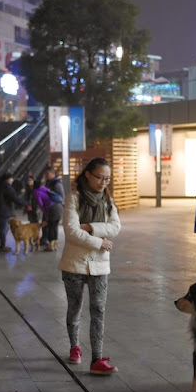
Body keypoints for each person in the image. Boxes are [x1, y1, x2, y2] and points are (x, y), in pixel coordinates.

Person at [58, 157, 121, 375]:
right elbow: (71, 232)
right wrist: (100, 241)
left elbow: (115, 227)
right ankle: (75, 347)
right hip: (74, 264)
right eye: (100, 177)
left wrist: (90, 227)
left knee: (99, 311)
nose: (104, 182)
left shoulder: (108, 200)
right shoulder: (74, 198)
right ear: (88, 174)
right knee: (74, 308)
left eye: (108, 178)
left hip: (100, 266)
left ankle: (97, 358)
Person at [0, 172, 30, 252]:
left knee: (0, 227)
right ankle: (3, 245)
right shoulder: (7, 187)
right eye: (11, 178)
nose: (12, 180)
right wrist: (26, 203)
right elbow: (15, 198)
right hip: (4, 210)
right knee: (4, 228)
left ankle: (0, 244)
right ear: (7, 179)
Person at [32, 180, 63, 251]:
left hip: (52, 209)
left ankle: (51, 246)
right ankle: (54, 244)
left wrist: (45, 214)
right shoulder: (44, 188)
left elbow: (41, 204)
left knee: (51, 227)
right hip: (59, 206)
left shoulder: (36, 192)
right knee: (55, 226)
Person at [41, 166, 65, 245]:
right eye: (45, 174)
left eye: (47, 174)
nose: (46, 176)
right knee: (51, 226)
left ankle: (52, 244)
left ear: (53, 173)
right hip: (50, 208)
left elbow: (61, 197)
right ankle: (52, 243)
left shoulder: (57, 184)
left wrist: (49, 196)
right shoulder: (49, 182)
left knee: (52, 227)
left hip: (55, 208)